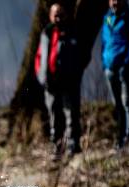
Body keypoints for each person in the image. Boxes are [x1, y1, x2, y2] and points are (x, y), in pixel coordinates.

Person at [35, 3, 81, 159]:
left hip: (69, 82)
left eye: (61, 14)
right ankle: (57, 147)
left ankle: (73, 146)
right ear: (50, 16)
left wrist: (74, 75)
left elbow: (79, 57)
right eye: (55, 15)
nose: (58, 18)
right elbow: (40, 56)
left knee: (71, 114)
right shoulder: (46, 33)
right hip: (50, 83)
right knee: (54, 116)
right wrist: (41, 76)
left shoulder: (72, 32)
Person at [102, 0, 129, 149]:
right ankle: (120, 138)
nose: (114, 2)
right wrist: (104, 62)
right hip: (110, 69)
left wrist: (127, 61)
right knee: (118, 105)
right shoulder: (107, 18)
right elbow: (105, 42)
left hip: (127, 68)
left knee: (128, 102)